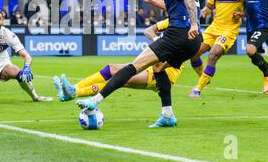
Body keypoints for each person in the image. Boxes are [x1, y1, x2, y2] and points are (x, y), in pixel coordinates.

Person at [76, 0, 202, 128]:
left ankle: (95, 100)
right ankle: (167, 115)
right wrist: (150, 0)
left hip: (178, 34)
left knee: (132, 67)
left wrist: (194, 23)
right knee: (158, 68)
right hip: (193, 41)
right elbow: (179, 4)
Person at [53, 20, 184, 101]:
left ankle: (74, 93)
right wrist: (158, 41)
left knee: (119, 79)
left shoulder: (183, 30)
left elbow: (176, 56)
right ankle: (72, 90)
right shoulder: (170, 21)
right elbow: (148, 30)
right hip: (151, 66)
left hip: (164, 72)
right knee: (110, 68)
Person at [186, 0, 246, 97]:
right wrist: (204, 11)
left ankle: (198, 89)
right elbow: (209, 7)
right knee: (193, 54)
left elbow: (251, 6)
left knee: (213, 55)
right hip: (213, 29)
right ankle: (204, 78)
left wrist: (242, 14)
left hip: (228, 31)